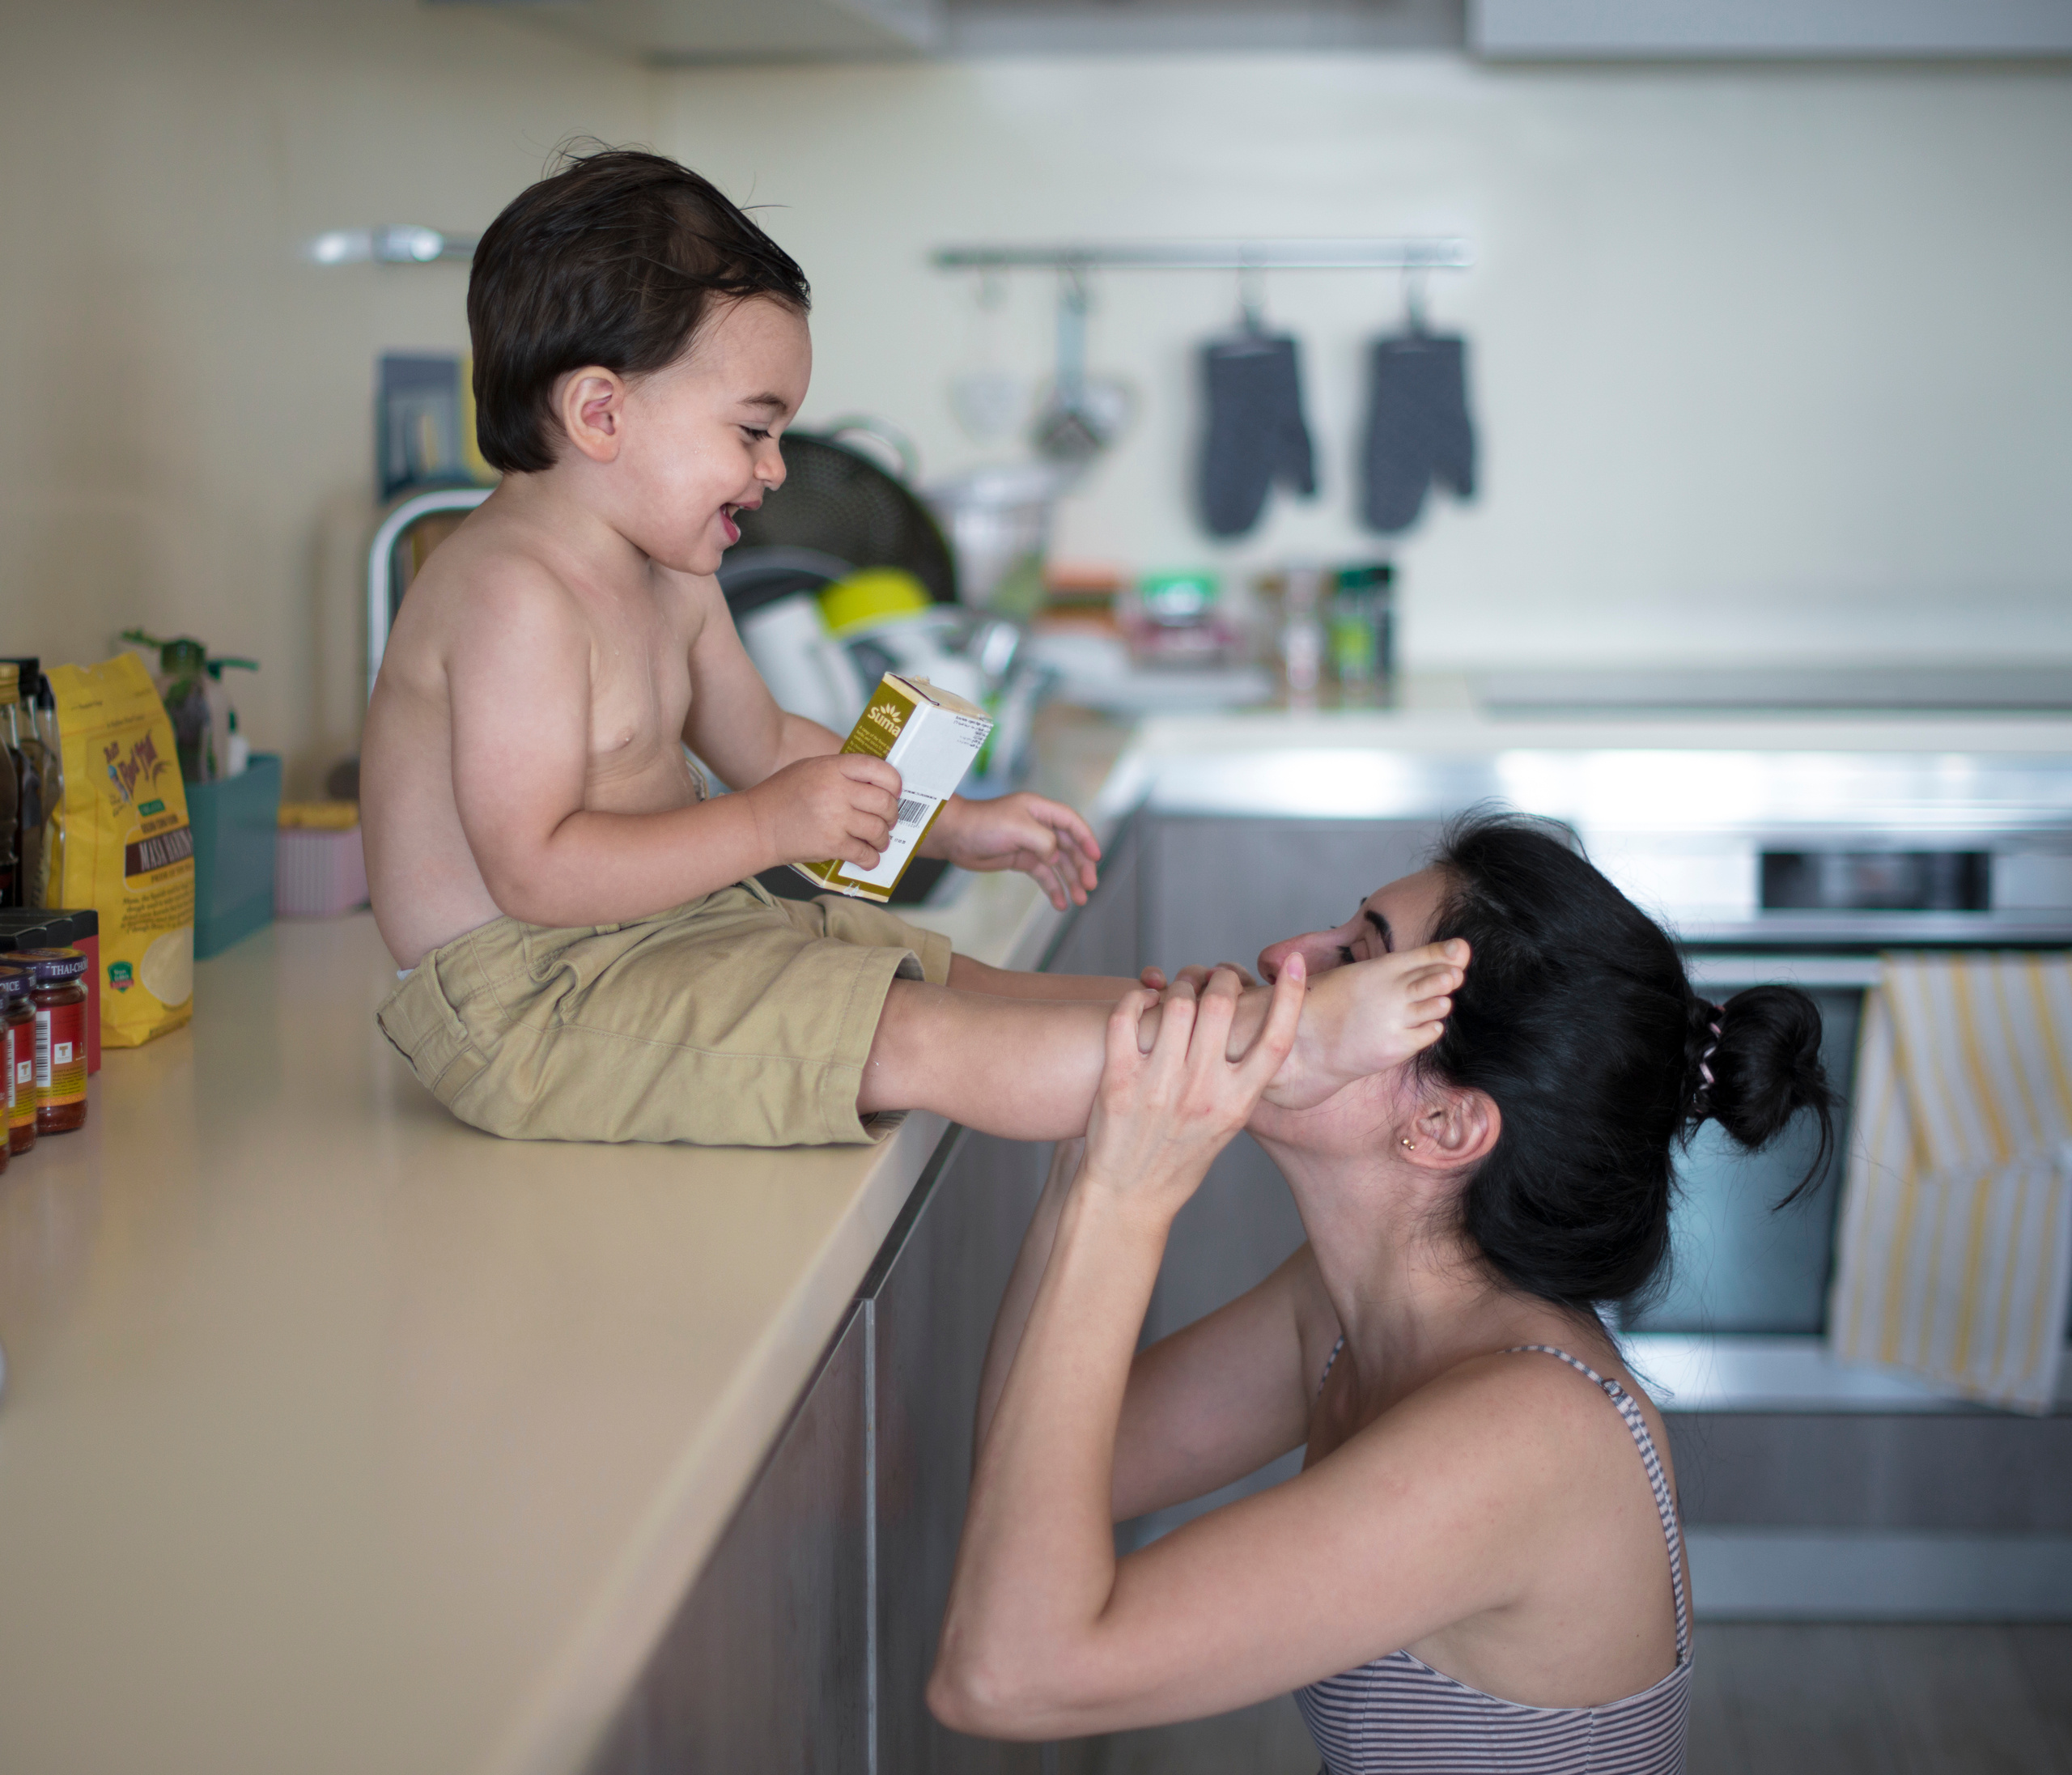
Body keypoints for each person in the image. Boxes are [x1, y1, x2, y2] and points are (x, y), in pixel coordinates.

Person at [361, 146, 1466, 1147]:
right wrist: (762, 827)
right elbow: (537, 869)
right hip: (527, 1003)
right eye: (753, 430)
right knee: (913, 1034)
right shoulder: (511, 591)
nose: (778, 468)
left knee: (954, 977)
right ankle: (1281, 1059)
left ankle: (1263, 1031)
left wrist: (956, 828)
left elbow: (773, 746)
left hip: (645, 942)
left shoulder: (666, 574)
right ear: (601, 414)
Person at [932, 813, 1836, 1772]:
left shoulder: (1531, 1436)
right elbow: (1027, 1468)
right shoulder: (1343, 1306)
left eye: (1352, 964)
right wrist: (1106, 1125)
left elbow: (1007, 1675)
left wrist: (1125, 1195)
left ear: (1445, 1126)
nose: (1284, 959)